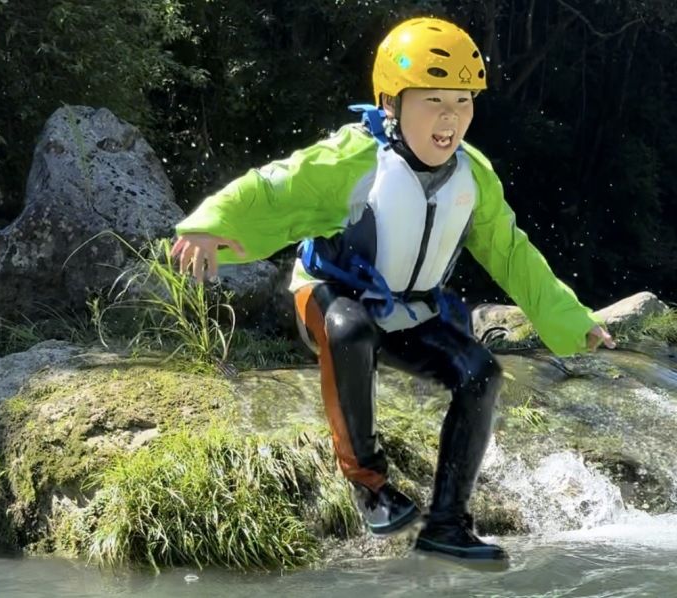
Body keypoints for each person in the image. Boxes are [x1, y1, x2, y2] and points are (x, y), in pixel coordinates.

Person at [171, 16, 615, 566]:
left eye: (462, 101)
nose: (450, 117)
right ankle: (369, 485)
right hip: (330, 298)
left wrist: (573, 319)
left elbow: (511, 252)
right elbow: (274, 187)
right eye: (433, 100)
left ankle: (447, 525)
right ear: (391, 102)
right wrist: (207, 223)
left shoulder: (474, 176)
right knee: (351, 330)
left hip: (408, 312)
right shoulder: (351, 159)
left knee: (481, 374)